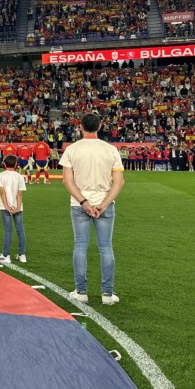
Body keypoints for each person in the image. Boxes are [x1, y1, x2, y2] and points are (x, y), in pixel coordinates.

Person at [60, 113, 125, 306]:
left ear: (80, 127)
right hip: (103, 204)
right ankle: (107, 294)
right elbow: (119, 182)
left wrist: (83, 202)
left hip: (80, 205)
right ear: (100, 126)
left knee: (80, 245)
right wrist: (103, 204)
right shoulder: (110, 150)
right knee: (106, 247)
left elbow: (67, 181)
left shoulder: (72, 149)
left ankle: (81, 292)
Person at [0, 154, 27, 264]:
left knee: (8, 230)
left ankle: (6, 255)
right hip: (18, 207)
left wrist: (7, 207)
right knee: (20, 230)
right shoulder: (19, 176)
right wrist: (17, 207)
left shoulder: (1, 176)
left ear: (4, 164)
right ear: (16, 164)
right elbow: (20, 194)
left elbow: (2, 193)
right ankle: (22, 255)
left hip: (5, 207)